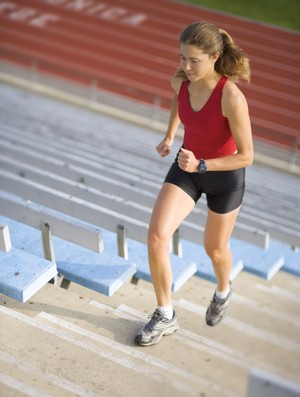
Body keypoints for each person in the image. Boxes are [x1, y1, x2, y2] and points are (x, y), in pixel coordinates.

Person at [135, 21, 253, 346]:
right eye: (182, 58)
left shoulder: (231, 97)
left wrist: (203, 164)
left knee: (214, 249)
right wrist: (170, 134)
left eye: (194, 61)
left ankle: (223, 290)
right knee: (157, 235)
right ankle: (165, 314)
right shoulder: (182, 79)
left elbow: (247, 156)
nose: (186, 67)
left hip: (224, 178)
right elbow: (179, 97)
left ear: (215, 56)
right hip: (187, 166)